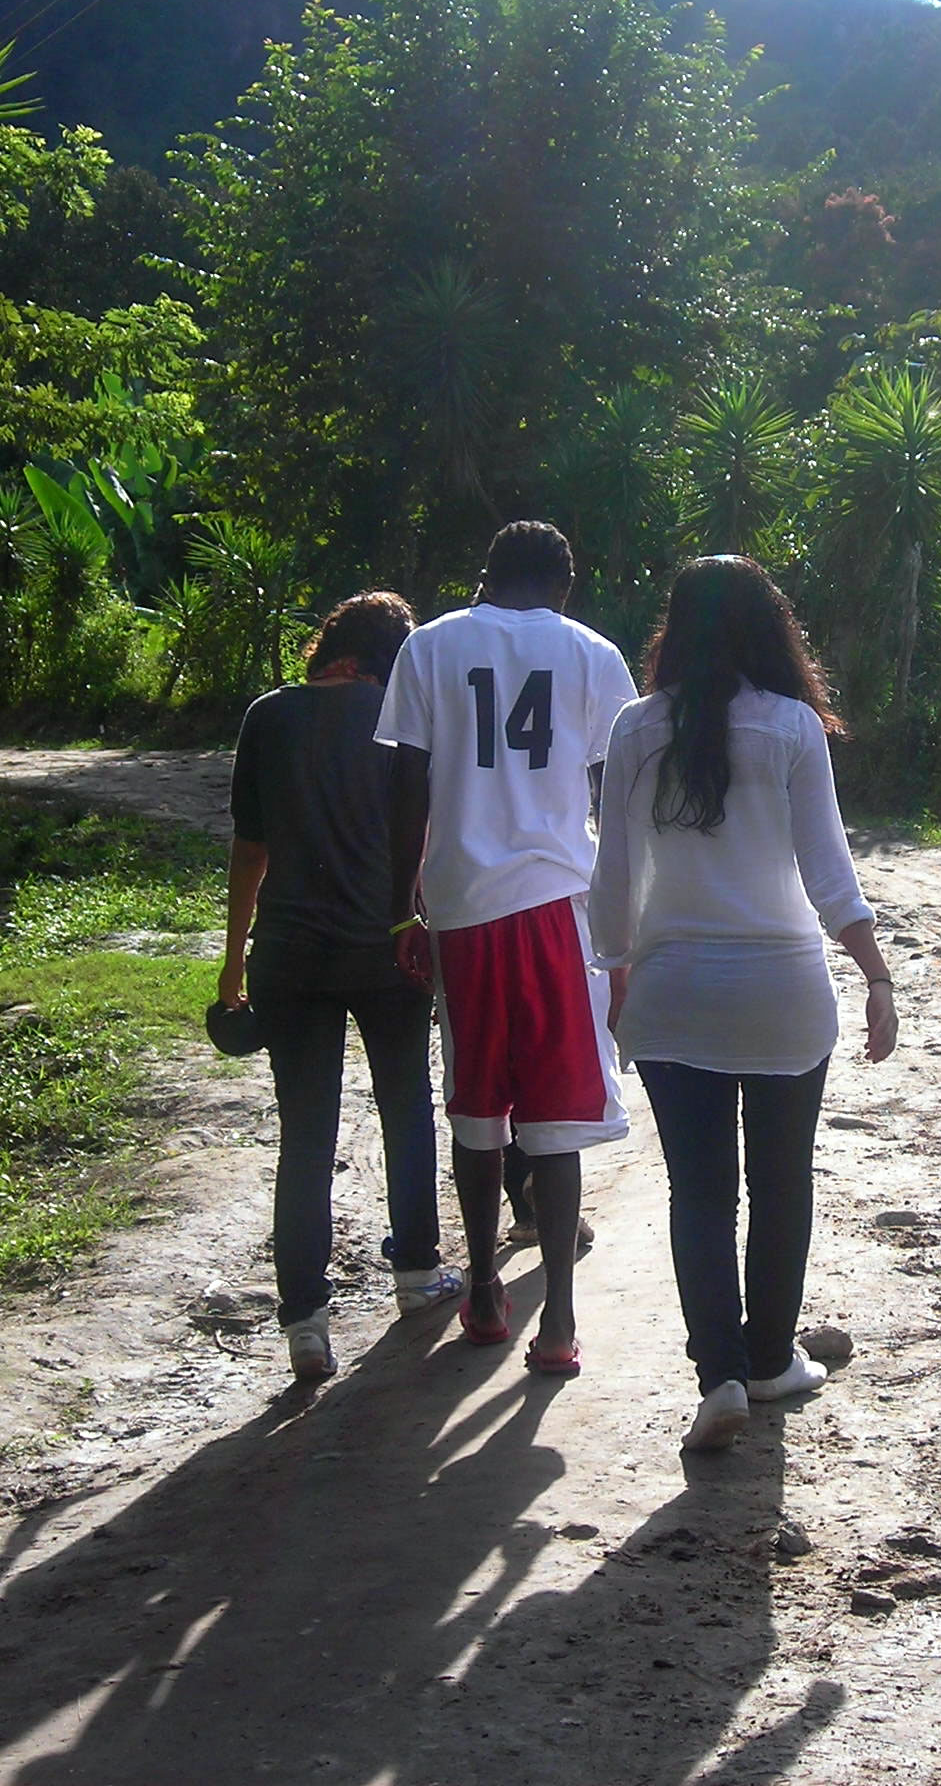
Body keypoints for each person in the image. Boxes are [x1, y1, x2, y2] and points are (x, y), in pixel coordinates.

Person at [591, 556, 899, 1451]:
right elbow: (829, 873)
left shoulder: (636, 727)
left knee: (698, 1192)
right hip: (783, 992)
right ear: (774, 630)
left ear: (673, 631)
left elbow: (612, 880)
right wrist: (877, 975)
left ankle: (717, 1375)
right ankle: (771, 1359)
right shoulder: (793, 726)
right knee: (781, 1183)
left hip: (674, 990)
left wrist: (618, 973)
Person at [379, 521, 637, 1375]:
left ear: (484, 576)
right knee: (556, 1118)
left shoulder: (430, 644)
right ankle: (558, 1316)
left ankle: (485, 1287)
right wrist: (626, 923)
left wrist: (403, 908)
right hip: (561, 901)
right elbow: (615, 797)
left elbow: (405, 786)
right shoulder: (596, 655)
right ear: (567, 585)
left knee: (478, 1105)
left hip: (460, 905)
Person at [219, 592, 462, 1381]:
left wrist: (230, 965)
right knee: (404, 1107)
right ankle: (418, 1275)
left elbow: (249, 853)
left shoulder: (267, 715)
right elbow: (427, 839)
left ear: (331, 648)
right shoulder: (403, 724)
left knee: (306, 1134)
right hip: (386, 949)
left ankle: (305, 1325)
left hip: (287, 954)